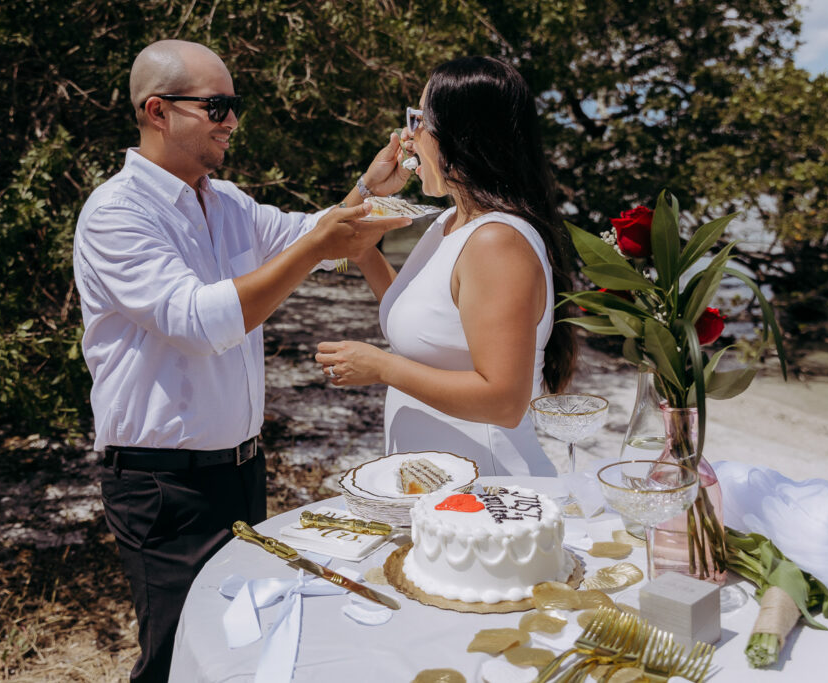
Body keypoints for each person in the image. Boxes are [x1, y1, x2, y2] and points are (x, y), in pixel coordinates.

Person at [72, 40, 410, 683]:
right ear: (158, 111)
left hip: (241, 470)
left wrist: (370, 188)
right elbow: (201, 323)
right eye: (217, 105)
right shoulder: (116, 213)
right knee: (177, 660)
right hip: (160, 483)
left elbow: (320, 237)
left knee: (237, 646)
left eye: (236, 105)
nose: (232, 120)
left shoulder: (227, 203)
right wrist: (317, 247)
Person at [315, 56, 576, 477]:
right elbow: (428, 316)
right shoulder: (450, 221)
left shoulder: (496, 241)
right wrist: (365, 252)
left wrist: (381, 367)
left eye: (417, 120)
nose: (406, 137)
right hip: (442, 487)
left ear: (459, 134)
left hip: (489, 489)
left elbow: (504, 401)